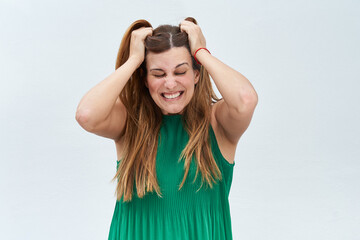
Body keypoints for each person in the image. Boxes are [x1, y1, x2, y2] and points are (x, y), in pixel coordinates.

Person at [75, 17, 258, 240]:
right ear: (145, 79)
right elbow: (86, 115)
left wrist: (201, 51)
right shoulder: (130, 122)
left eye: (180, 72)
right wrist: (134, 60)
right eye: (158, 74)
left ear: (196, 74)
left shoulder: (217, 123)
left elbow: (246, 99)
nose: (170, 84)